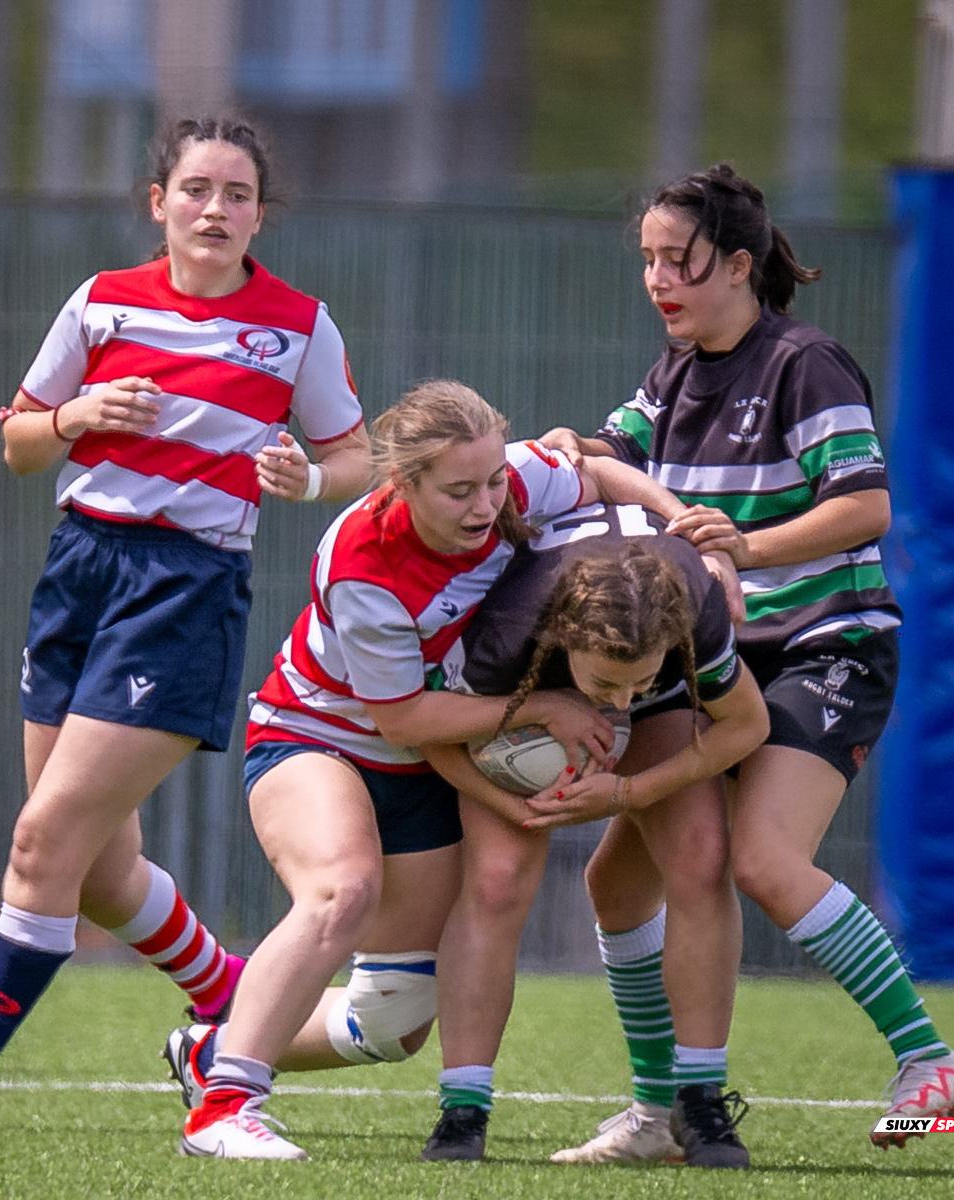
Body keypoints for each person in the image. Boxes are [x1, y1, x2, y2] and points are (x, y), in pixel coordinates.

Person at [0, 116, 375, 1131]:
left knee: (42, 838)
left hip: (185, 591)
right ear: (159, 203)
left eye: (236, 193)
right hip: (78, 572)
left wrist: (308, 477)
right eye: (196, 189)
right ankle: (226, 993)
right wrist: (75, 420)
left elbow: (356, 456)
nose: (215, 208)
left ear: (262, 214)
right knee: (94, 873)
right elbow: (16, 443)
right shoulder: (101, 302)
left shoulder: (297, 326)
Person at [541, 162, 954, 1152]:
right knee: (617, 886)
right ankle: (662, 1112)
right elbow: (597, 455)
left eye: (681, 262)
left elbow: (866, 506)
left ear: (739, 265)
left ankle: (930, 1059)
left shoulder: (804, 363)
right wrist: (564, 462)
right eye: (649, 260)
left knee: (763, 860)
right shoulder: (671, 372)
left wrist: (745, 546)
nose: (659, 279)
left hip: (829, 647)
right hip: (715, 662)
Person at [169, 380, 698, 1161]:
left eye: (492, 481)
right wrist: (546, 711)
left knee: (391, 1020)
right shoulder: (363, 562)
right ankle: (223, 1109)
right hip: (317, 737)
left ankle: (209, 1054)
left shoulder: (508, 480)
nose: (487, 503)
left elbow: (591, 469)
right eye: (459, 490)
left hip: (425, 767)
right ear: (403, 484)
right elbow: (404, 718)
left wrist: (682, 527)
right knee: (341, 890)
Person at [420, 509, 769, 1168]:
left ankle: (697, 1103)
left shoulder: (690, 606)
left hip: (668, 701)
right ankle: (462, 1112)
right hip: (527, 696)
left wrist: (629, 792)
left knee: (700, 858)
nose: (621, 700)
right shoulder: (508, 632)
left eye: (637, 679)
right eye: (606, 682)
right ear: (564, 637)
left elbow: (743, 726)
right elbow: (429, 734)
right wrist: (513, 805)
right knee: (495, 882)